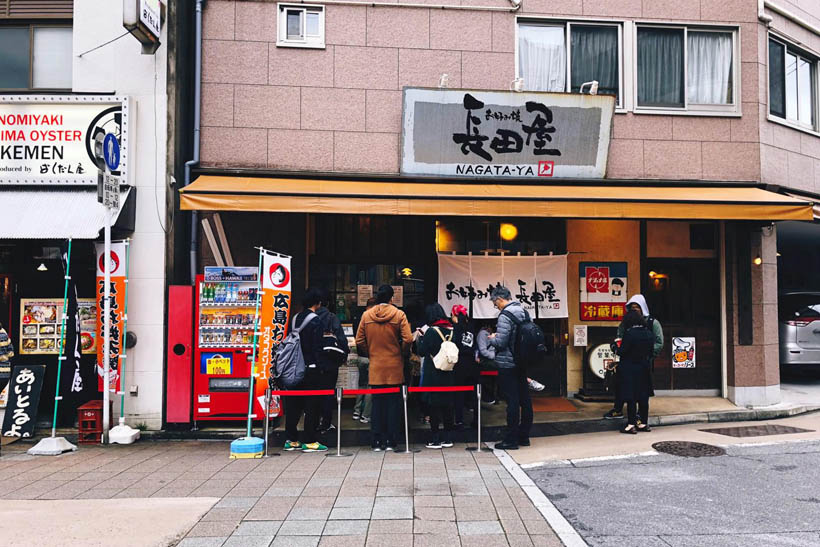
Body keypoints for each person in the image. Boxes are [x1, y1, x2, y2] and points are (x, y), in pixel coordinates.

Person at [355, 284, 413, 451]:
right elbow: (408, 339)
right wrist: (401, 352)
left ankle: (376, 441)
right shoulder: (399, 314)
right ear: (391, 298)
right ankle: (390, 441)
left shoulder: (367, 315)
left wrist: (371, 353)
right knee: (393, 405)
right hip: (394, 365)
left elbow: (359, 341)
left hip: (376, 365)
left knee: (377, 405)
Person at [604, 294, 664, 421]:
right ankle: (618, 409)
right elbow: (619, 337)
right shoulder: (626, 322)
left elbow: (659, 342)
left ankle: (638, 416)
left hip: (644, 361)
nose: (635, 309)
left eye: (637, 307)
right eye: (632, 307)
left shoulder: (652, 323)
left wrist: (648, 354)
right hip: (627, 361)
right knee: (622, 386)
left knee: (641, 390)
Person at [488, 286, 533, 450]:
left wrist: (492, 338)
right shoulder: (524, 312)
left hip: (508, 363)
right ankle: (524, 436)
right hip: (522, 361)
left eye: (495, 303)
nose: (496, 306)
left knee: (512, 401)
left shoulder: (505, 315)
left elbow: (501, 342)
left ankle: (511, 440)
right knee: (525, 399)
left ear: (499, 299)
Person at [283, 288, 328, 452]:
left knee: (293, 403)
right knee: (312, 405)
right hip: (310, 368)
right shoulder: (316, 320)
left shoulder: (295, 319)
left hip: (293, 367)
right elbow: (317, 347)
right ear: (318, 302)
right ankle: (309, 440)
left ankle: (291, 439)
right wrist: (320, 366)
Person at [418, 303, 458, 448]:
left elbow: (422, 351)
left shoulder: (430, 332)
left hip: (433, 372)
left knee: (434, 406)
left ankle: (435, 439)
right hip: (449, 372)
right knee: (448, 405)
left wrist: (421, 338)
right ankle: (448, 438)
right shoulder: (453, 331)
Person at [615, 309, 655, 434]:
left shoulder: (630, 334)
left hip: (629, 368)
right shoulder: (649, 333)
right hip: (644, 367)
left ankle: (631, 424)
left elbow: (622, 351)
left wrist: (615, 346)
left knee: (631, 396)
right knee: (643, 396)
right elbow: (651, 351)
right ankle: (643, 423)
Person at [316, 288, 350, 434]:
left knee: (314, 393)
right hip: (330, 361)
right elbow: (341, 339)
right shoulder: (332, 318)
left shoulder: (308, 317)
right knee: (329, 393)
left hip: (313, 361)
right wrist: (344, 355)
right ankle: (326, 422)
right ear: (328, 303)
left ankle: (313, 421)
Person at [451, 305, 477, 428]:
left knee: (458, 393)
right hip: (472, 363)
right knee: (474, 393)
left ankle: (459, 420)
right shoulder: (471, 327)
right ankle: (476, 420)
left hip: (459, 363)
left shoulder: (455, 329)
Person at [352, 298, 377, 424]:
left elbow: (358, 339)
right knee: (370, 386)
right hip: (370, 356)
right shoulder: (372, 319)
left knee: (361, 384)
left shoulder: (358, 318)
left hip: (360, 357)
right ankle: (366, 415)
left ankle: (356, 411)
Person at [476, 322, 497, 404]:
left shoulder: (492, 333)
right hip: (487, 360)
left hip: (491, 359)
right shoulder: (483, 334)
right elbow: (483, 350)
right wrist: (495, 356)